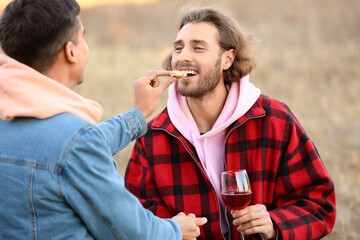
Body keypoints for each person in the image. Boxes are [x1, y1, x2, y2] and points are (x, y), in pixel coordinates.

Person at [0, 0, 207, 239]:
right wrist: (175, 230)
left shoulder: (18, 122)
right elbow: (133, 232)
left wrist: (137, 114)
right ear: (71, 51)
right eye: (83, 37)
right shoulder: (75, 141)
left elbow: (60, 145)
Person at [124, 6, 336, 240]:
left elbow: (319, 203)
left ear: (227, 59)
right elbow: (132, 219)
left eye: (198, 47)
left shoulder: (275, 119)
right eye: (178, 48)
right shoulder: (153, 137)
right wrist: (168, 230)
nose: (183, 56)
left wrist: (275, 224)